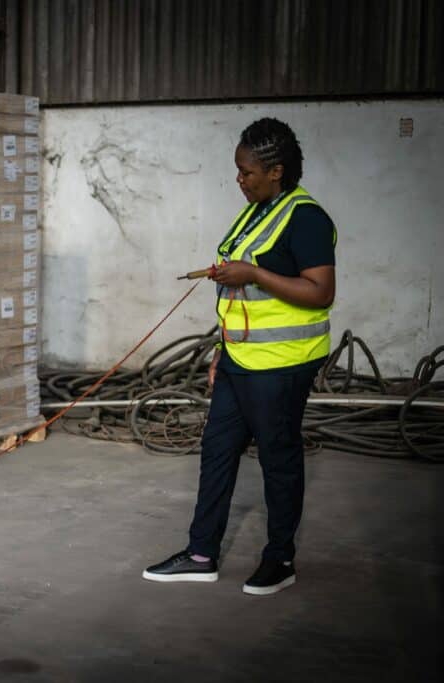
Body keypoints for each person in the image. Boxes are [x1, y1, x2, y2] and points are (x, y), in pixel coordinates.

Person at [142, 118, 337, 595]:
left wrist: (252, 272)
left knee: (279, 458)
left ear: (276, 171)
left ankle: (280, 559)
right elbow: (242, 294)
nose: (239, 179)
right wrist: (221, 350)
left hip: (283, 365)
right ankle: (202, 553)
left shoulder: (306, 217)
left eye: (247, 172)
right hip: (238, 360)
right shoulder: (255, 213)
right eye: (238, 170)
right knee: (217, 452)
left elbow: (321, 291)